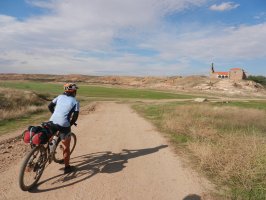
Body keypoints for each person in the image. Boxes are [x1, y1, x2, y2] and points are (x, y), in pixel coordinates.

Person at [48, 83, 80, 174]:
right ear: (74, 91)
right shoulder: (75, 102)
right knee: (66, 147)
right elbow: (75, 117)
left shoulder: (59, 97)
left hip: (52, 121)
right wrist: (70, 124)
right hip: (64, 124)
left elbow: (49, 106)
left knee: (49, 137)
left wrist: (55, 115)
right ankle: (67, 168)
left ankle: (45, 152)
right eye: (75, 90)